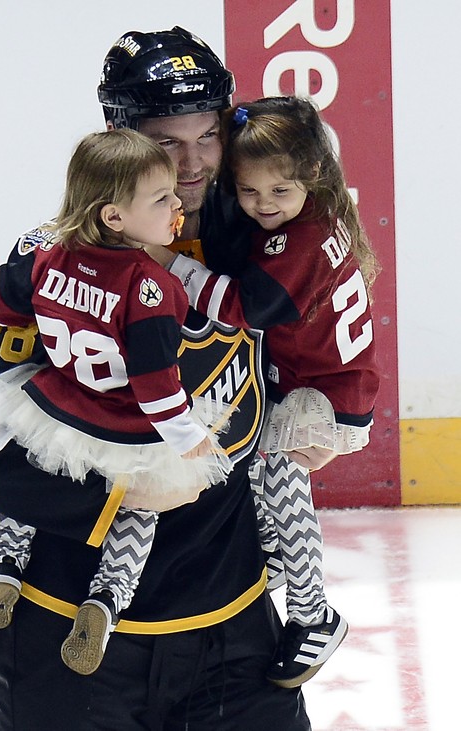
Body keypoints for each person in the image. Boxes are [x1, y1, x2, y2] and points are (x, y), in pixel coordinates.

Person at [0, 27, 312, 730]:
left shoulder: (263, 238)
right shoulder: (69, 256)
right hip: (69, 636)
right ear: (120, 138)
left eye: (207, 136)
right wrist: (116, 496)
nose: (194, 162)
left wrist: (339, 403)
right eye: (168, 144)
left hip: (231, 631)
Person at [0, 127, 233, 677]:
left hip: (57, 410)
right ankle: (104, 604)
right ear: (115, 217)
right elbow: (158, 383)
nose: (178, 203)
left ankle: (0, 572)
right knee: (139, 510)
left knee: (32, 492)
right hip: (128, 424)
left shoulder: (51, 257)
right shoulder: (150, 286)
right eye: (161, 199)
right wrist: (189, 438)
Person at [150, 96, 380, 688]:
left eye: (278, 192)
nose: (261, 206)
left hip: (322, 397)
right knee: (256, 465)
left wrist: (165, 263)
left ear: (311, 178)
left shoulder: (297, 240)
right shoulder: (316, 214)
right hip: (325, 386)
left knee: (278, 477)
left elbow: (241, 308)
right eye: (249, 193)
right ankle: (281, 558)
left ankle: (312, 615)